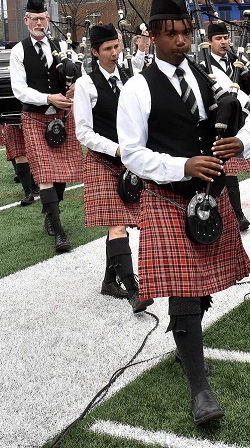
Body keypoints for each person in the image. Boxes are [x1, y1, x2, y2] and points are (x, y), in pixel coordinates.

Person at [117, 0, 250, 426]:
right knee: (183, 286)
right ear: (154, 36)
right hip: (167, 197)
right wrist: (182, 165)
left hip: (208, 197)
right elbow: (132, 154)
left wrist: (243, 142)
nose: (181, 41)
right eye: (171, 34)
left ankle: (186, 343)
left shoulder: (207, 75)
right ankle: (200, 389)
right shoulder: (138, 87)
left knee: (198, 286)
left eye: (185, 33)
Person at [73, 22, 152, 312]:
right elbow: (84, 133)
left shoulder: (131, 78)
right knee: (117, 224)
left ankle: (109, 281)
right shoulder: (85, 84)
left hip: (130, 163)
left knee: (122, 223)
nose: (114, 53)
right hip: (101, 161)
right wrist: (116, 148)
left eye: (117, 46)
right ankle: (134, 290)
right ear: (95, 52)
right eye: (107, 49)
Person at [10, 0, 84, 252]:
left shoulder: (62, 45)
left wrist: (77, 85)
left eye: (42, 18)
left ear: (48, 20)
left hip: (62, 116)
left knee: (61, 172)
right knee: (43, 172)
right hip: (34, 116)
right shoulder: (19, 51)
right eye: (34, 18)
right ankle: (58, 229)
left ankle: (51, 213)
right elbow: (19, 90)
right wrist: (47, 98)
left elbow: (80, 74)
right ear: (26, 21)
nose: (38, 22)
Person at [206, 21, 250, 231]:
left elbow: (248, 88)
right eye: (219, 38)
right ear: (209, 42)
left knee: (231, 169)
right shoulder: (204, 64)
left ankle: (236, 214)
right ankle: (232, 213)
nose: (224, 42)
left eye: (226, 38)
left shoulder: (237, 63)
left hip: (237, 121)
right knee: (218, 169)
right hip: (215, 122)